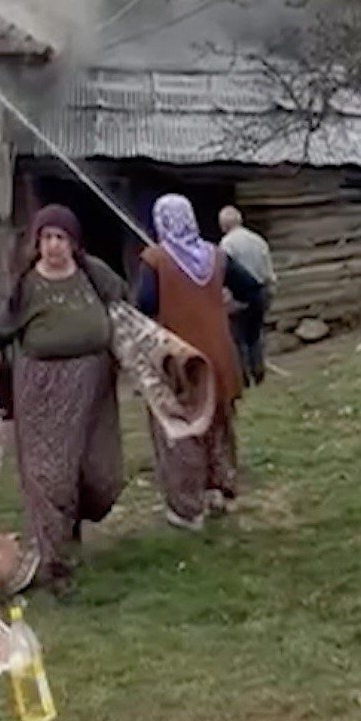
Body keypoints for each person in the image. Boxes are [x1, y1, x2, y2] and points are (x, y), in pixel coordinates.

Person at [0, 204, 127, 598]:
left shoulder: (94, 274)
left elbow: (124, 310)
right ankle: (54, 565)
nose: (53, 246)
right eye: (46, 238)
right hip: (43, 392)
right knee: (48, 477)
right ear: (37, 242)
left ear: (74, 243)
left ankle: (70, 524)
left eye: (61, 238)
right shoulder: (25, 287)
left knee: (102, 475)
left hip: (95, 390)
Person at [136, 194, 264, 531]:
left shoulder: (155, 259)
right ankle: (218, 490)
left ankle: (187, 507)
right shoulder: (215, 257)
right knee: (217, 424)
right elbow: (253, 289)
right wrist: (228, 308)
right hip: (219, 355)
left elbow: (144, 304)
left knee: (181, 431)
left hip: (179, 361)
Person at [218, 205, 276, 386]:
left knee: (238, 337)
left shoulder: (227, 245)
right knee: (255, 335)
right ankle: (258, 371)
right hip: (260, 292)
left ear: (223, 225)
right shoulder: (258, 240)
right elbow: (268, 271)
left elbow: (225, 274)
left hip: (239, 297)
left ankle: (243, 377)